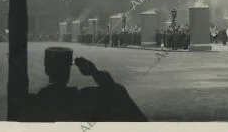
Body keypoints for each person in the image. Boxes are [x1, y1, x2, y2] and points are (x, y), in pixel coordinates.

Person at [18, 47, 147, 122]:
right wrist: (94, 72)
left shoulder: (33, 104)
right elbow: (118, 96)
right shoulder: (85, 98)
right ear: (69, 70)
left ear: (46, 70)